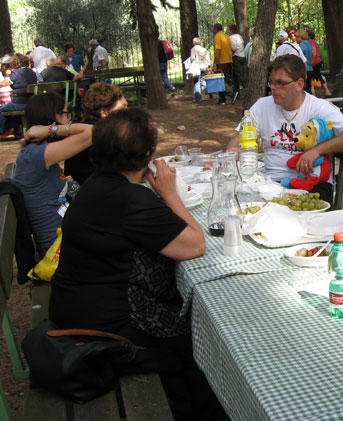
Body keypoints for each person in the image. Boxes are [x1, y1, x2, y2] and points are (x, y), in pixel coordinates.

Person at [49, 108, 225, 420]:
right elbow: (196, 245)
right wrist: (170, 195)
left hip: (74, 308)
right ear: (147, 154)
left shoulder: (98, 184)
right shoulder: (131, 201)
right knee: (203, 339)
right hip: (105, 331)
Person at [226, 54, 343, 203]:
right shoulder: (262, 106)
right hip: (270, 184)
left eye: (281, 83)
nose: (273, 88)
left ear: (299, 84)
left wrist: (316, 150)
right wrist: (234, 150)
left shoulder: (318, 107)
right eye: (272, 82)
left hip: (312, 185)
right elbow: (237, 139)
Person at [11, 91, 93, 256]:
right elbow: (95, 132)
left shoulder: (37, 152)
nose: (69, 119)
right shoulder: (37, 155)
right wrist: (53, 130)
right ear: (51, 117)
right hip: (60, 251)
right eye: (65, 114)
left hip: (66, 242)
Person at [64, 83, 128, 184]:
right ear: (104, 113)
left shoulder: (86, 130)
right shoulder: (100, 139)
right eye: (122, 108)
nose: (128, 112)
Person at [0, 53, 39, 140]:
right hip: (30, 103)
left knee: (1, 109)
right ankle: (18, 131)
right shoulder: (32, 72)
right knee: (9, 109)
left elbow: (6, 82)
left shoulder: (16, 73)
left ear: (15, 63)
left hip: (19, 104)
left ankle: (3, 131)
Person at [212, 22, 234, 105]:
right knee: (225, 79)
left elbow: (218, 50)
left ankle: (231, 93)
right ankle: (222, 98)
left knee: (220, 80)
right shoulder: (226, 36)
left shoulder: (218, 36)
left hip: (222, 61)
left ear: (215, 29)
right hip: (228, 60)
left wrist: (215, 62)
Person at [307, 28, 332, 97]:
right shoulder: (314, 41)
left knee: (315, 76)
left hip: (314, 62)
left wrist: (312, 58)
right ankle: (326, 91)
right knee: (317, 76)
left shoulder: (310, 42)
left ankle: (326, 91)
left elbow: (314, 51)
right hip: (318, 61)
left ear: (309, 36)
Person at [188, 37, 211, 102]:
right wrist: (209, 66)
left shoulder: (193, 49)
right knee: (203, 80)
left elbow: (192, 58)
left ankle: (198, 97)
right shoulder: (204, 49)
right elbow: (208, 58)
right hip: (205, 66)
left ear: (194, 43)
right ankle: (207, 91)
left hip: (197, 67)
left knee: (196, 82)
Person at [228, 23, 246, 101]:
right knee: (235, 76)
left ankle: (247, 89)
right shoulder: (239, 36)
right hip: (242, 56)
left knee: (239, 75)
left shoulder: (231, 37)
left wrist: (229, 56)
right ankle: (235, 92)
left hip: (236, 57)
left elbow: (233, 49)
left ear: (230, 30)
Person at [296, 29, 314, 93]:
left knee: (304, 90)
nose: (296, 39)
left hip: (305, 70)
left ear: (301, 37)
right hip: (310, 69)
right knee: (308, 89)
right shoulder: (308, 44)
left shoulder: (301, 45)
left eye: (297, 37)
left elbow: (297, 55)